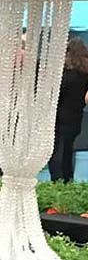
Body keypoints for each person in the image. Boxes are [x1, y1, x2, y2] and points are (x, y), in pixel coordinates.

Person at [50, 38, 88, 181]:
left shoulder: (65, 73)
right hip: (76, 116)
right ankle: (68, 178)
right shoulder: (85, 73)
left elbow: (57, 95)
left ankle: (57, 180)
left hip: (59, 116)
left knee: (56, 151)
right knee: (68, 150)